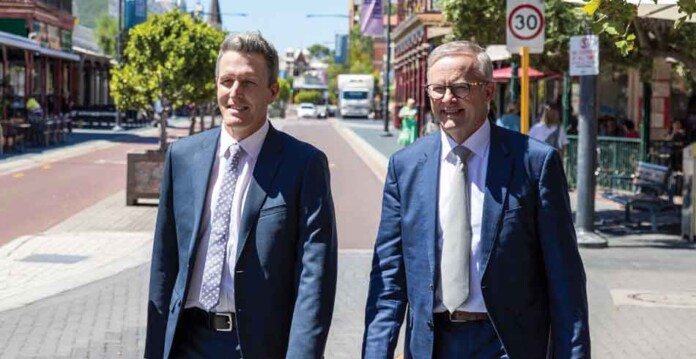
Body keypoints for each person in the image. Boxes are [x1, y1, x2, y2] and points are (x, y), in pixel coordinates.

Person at [362, 41, 590, 358]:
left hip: (507, 345)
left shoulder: (535, 164)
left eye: (460, 87)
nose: (447, 99)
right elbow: (388, 279)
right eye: (437, 88)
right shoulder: (405, 167)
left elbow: (565, 281)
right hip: (432, 344)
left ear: (487, 91)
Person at [145, 32, 338, 359]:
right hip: (186, 341)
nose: (235, 93)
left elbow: (314, 280)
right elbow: (164, 265)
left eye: (248, 82)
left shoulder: (304, 165)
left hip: (257, 346)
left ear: (272, 91)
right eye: (227, 81)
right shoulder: (182, 156)